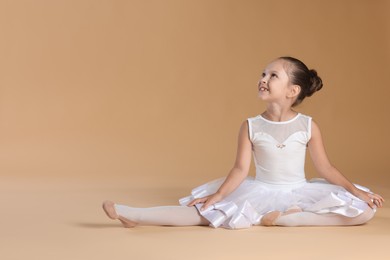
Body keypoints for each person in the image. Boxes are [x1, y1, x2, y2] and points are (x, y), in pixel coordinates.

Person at [102, 56, 384, 229]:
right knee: (205, 214)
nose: (263, 79)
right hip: (260, 190)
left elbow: (326, 168)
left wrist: (356, 191)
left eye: (273, 75)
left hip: (299, 190)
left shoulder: (308, 125)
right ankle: (133, 214)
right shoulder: (250, 126)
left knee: (365, 211)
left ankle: (288, 219)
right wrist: (218, 196)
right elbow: (240, 169)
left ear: (292, 91)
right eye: (263, 74)